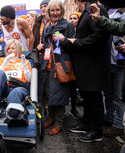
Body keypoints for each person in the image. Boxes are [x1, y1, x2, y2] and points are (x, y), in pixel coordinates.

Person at [67, 0, 111, 142]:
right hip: (86, 65)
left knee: (94, 96)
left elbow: (101, 35)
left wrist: (77, 42)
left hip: (94, 65)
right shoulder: (86, 10)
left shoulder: (95, 9)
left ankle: (97, 130)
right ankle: (87, 122)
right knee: (86, 95)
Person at [39, 0, 75, 135]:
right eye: (52, 10)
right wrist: (41, 46)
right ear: (48, 12)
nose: (55, 13)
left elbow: (73, 46)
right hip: (47, 65)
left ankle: (59, 122)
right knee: (49, 94)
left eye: (57, 10)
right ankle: (51, 118)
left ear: (62, 11)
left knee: (59, 96)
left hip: (60, 65)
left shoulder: (68, 25)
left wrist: (63, 39)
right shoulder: (47, 27)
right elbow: (44, 43)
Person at [90, 4, 125, 138]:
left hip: (121, 64)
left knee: (119, 96)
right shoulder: (110, 12)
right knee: (109, 93)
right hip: (109, 61)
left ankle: (118, 125)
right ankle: (109, 117)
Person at [68, 11, 82, 119]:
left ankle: (75, 108)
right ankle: (72, 108)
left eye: (75, 18)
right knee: (71, 87)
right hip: (69, 61)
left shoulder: (82, 32)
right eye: (71, 18)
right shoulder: (68, 30)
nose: (72, 20)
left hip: (80, 62)